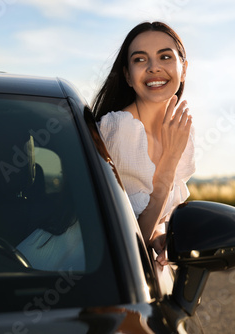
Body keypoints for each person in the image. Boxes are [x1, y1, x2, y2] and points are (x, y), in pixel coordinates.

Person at [93, 22, 195, 265]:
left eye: (166, 56)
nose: (154, 67)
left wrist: (158, 236)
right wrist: (167, 164)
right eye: (140, 60)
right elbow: (124, 243)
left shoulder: (182, 131)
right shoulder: (115, 131)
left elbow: (148, 225)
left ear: (183, 70)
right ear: (128, 75)